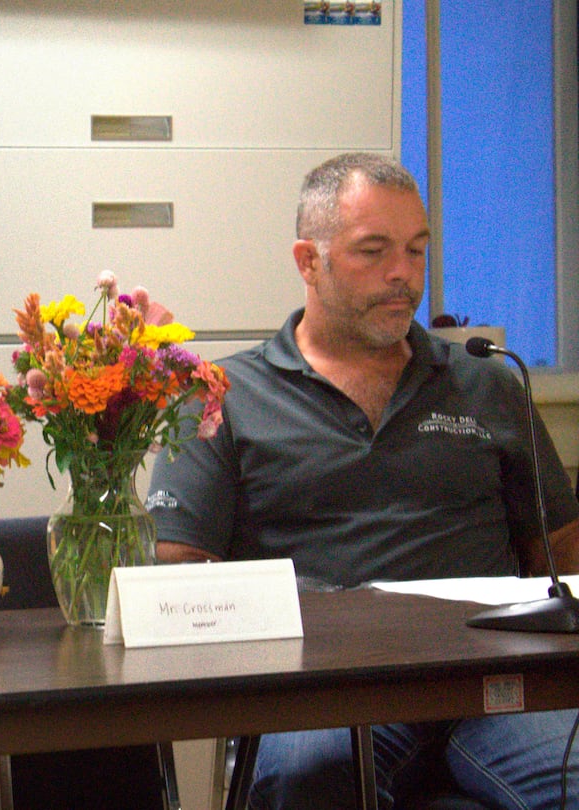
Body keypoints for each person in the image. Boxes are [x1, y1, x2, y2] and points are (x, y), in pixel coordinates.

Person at [147, 152, 579, 809]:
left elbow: (562, 550)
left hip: (491, 683)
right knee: (307, 776)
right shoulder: (223, 395)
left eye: (416, 249)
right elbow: (182, 573)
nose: (402, 275)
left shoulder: (486, 382)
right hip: (328, 684)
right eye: (372, 251)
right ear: (308, 261)